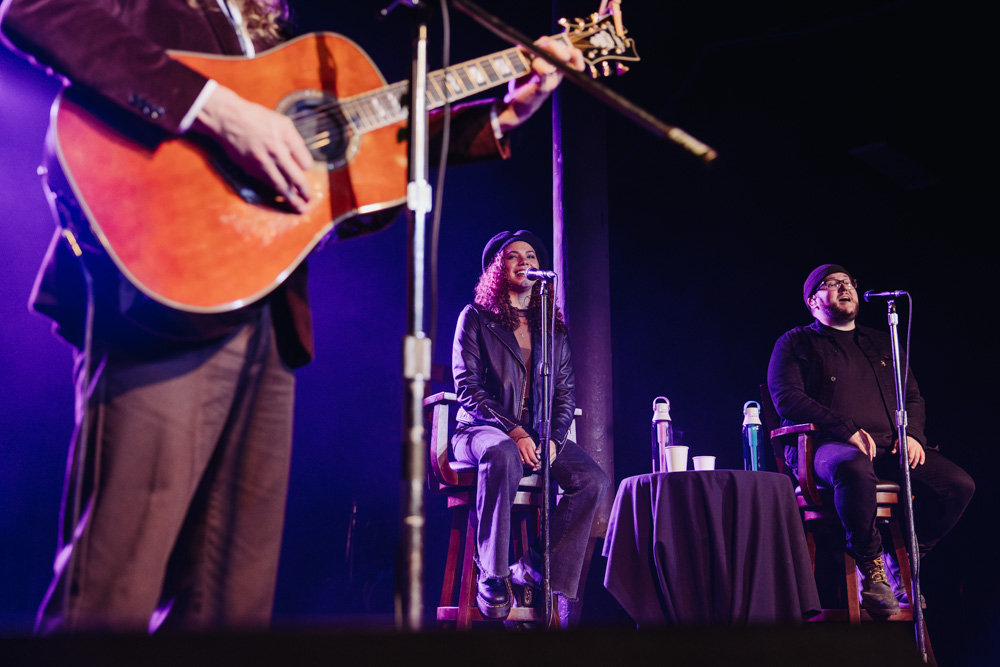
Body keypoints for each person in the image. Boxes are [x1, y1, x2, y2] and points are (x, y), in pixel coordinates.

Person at [0, 0, 583, 633]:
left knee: (231, 600)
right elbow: (34, 11)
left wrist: (503, 112)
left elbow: (372, 151)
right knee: (113, 585)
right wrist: (218, 111)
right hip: (159, 296)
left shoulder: (276, 42)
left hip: (268, 313)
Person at [767, 264, 974, 616]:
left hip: (888, 445)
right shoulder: (796, 341)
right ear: (812, 301)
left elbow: (913, 398)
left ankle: (904, 555)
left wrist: (911, 434)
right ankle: (872, 565)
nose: (843, 287)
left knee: (957, 485)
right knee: (854, 468)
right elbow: (786, 397)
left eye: (847, 282)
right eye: (831, 284)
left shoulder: (882, 341)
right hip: (825, 447)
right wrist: (844, 427)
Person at [451, 229, 610, 623]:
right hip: (480, 429)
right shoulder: (475, 318)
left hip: (538, 432)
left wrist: (554, 439)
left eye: (532, 257)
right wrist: (515, 431)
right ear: (495, 268)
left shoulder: (552, 330)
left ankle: (534, 567)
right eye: (513, 256)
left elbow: (565, 395)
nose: (525, 262)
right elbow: (467, 389)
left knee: (593, 480)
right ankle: (493, 571)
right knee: (503, 453)